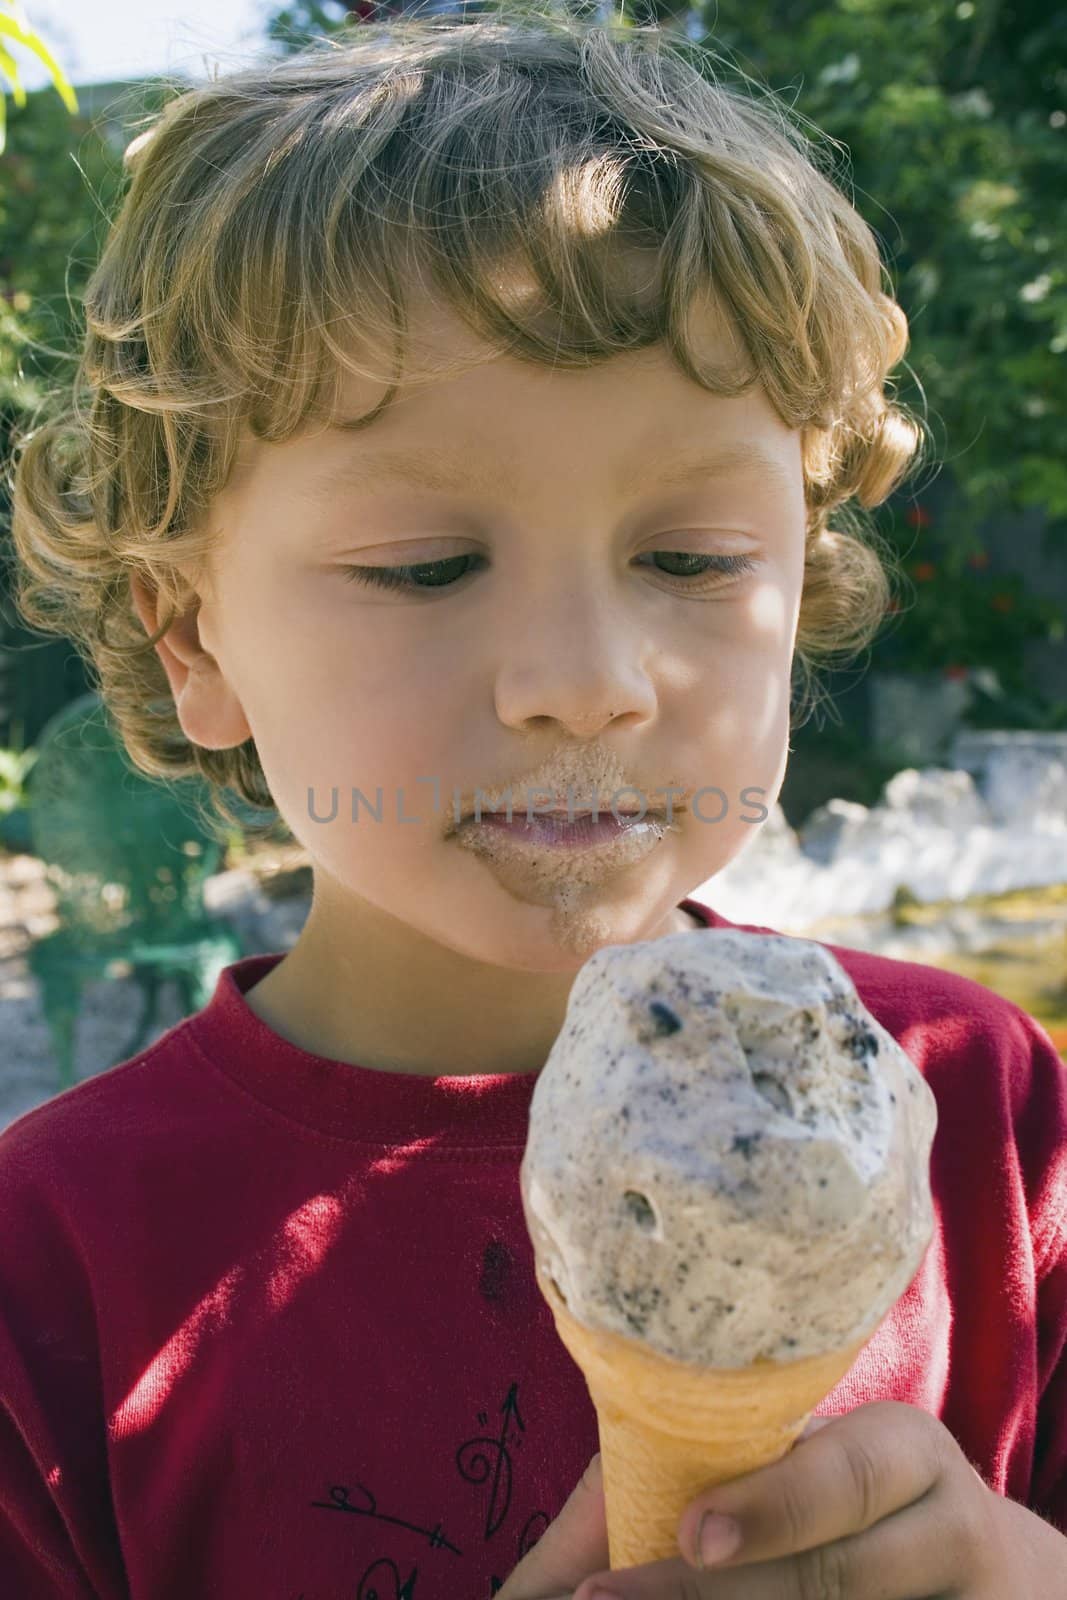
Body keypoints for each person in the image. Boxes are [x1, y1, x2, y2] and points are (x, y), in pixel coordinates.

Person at [3, 11, 1065, 1599]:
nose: (585, 681)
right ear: (190, 635)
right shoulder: (54, 1266)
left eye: (693, 560)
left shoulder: (974, 1111)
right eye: (425, 567)